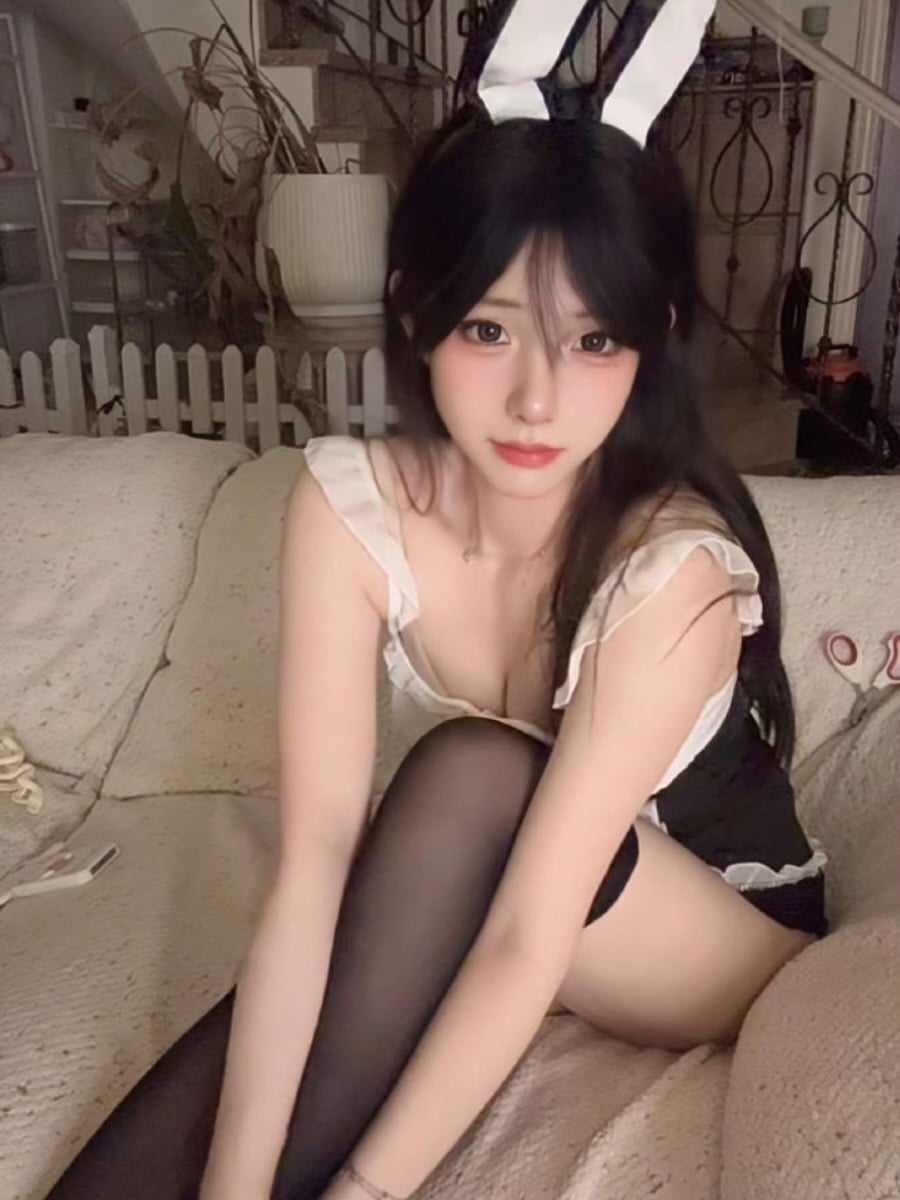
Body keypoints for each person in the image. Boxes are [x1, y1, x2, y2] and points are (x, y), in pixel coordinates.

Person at [44, 2, 827, 1199]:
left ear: (652, 343)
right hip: (504, 879)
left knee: (470, 779)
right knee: (382, 895)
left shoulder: (672, 572)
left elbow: (523, 938)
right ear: (415, 310)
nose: (535, 400)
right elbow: (313, 864)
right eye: (488, 328)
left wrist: (359, 1191)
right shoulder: (349, 506)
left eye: (593, 341)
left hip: (719, 930)